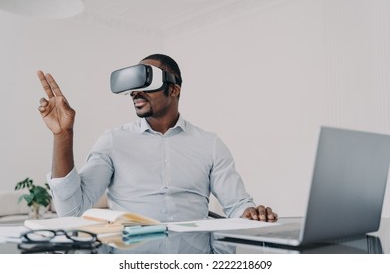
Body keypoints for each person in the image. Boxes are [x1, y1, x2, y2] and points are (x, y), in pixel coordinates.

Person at [37, 53, 278, 222]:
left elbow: (237, 205)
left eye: (145, 80)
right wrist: (63, 135)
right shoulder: (113, 141)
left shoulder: (210, 145)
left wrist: (251, 213)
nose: (135, 92)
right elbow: (71, 211)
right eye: (132, 85)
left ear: (174, 89)